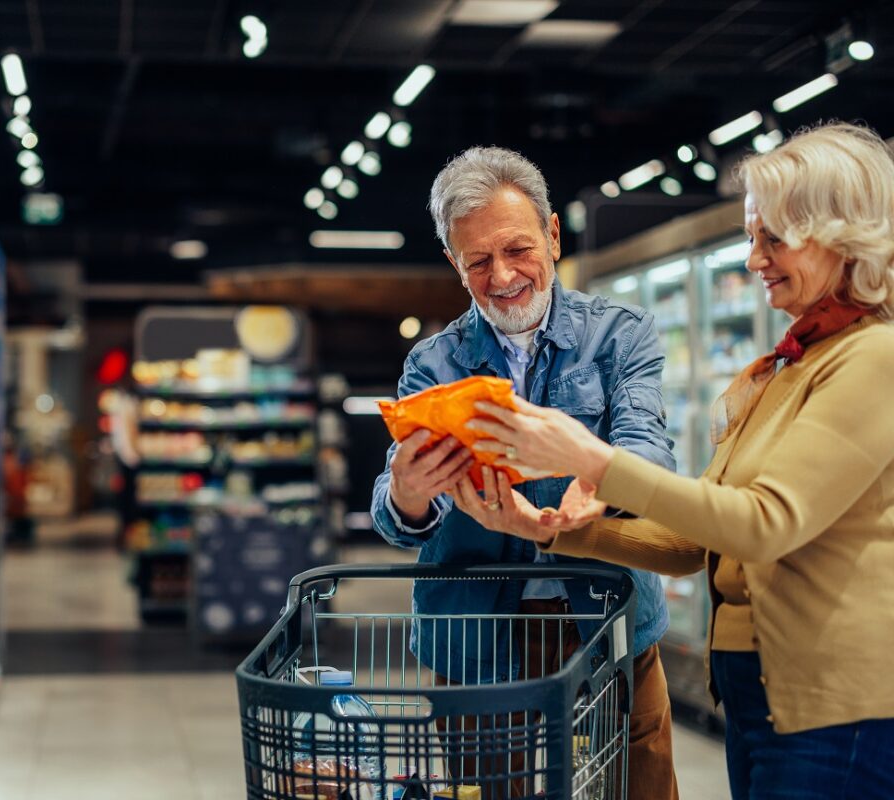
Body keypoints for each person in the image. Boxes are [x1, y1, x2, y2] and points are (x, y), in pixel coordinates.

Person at [468, 122, 894, 799]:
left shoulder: (873, 359)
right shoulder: (791, 366)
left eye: (774, 239)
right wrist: (547, 530)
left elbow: (763, 523)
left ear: (843, 236)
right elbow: (696, 542)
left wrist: (596, 462)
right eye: (752, 238)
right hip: (762, 694)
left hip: (832, 702)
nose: (754, 260)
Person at [370, 145, 680, 799]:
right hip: (478, 633)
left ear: (553, 234)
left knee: (636, 784)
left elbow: (648, 446)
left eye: (517, 249)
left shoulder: (619, 336)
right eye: (477, 260)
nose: (503, 275)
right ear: (455, 264)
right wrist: (410, 494)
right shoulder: (433, 366)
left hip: (603, 622)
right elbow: (402, 520)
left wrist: (596, 485)